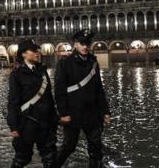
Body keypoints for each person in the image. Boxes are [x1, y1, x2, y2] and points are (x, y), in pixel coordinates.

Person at [55, 29, 111, 167]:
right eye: (82, 43)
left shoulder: (93, 62)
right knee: (69, 147)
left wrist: (105, 111)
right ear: (75, 44)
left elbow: (99, 89)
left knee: (95, 149)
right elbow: (59, 91)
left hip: (92, 113)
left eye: (87, 43)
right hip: (73, 113)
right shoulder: (65, 63)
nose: (85, 46)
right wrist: (63, 113)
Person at [7, 39, 58, 167]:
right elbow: (13, 101)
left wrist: (54, 117)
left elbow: (48, 97)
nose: (37, 53)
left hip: (46, 122)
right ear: (23, 54)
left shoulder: (42, 71)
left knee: (50, 157)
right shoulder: (17, 74)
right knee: (22, 158)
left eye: (37, 50)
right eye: (33, 51)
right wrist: (13, 125)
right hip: (27, 122)